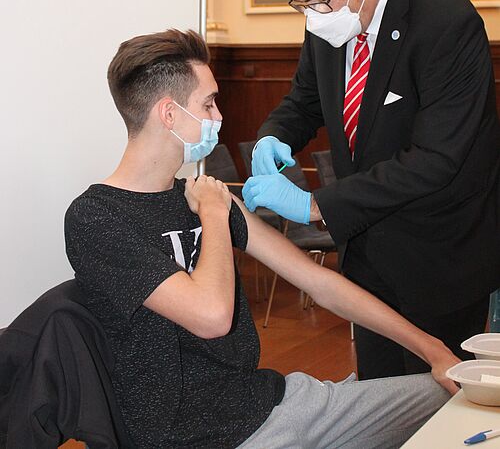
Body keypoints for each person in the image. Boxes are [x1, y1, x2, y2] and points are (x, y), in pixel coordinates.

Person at [65, 28, 459, 449]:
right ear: (168, 114)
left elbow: (319, 282)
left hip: (280, 402)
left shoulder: (203, 196)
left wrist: (433, 350)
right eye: (209, 103)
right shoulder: (97, 218)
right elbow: (211, 316)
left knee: (458, 396)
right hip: (201, 437)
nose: (218, 117)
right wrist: (216, 215)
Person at [242, 0, 500, 382]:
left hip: (438, 254)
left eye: (318, 1)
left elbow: (436, 159)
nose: (314, 16)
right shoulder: (331, 16)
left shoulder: (443, 18)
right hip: (368, 256)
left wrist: (317, 204)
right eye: (302, 6)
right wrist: (273, 134)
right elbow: (304, 99)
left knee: (435, 400)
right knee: (380, 396)